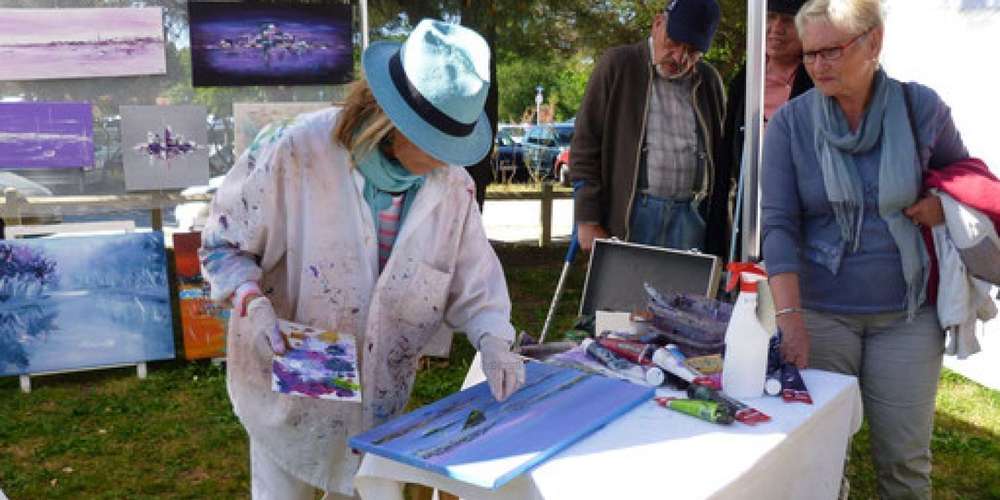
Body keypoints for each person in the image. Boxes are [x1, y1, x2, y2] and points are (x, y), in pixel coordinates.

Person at [199, 19, 525, 499]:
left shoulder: (453, 186)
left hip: (381, 396)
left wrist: (494, 340)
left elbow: (474, 285)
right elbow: (222, 244)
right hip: (291, 375)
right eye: (433, 144)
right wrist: (250, 297)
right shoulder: (295, 151)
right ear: (391, 121)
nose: (444, 159)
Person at [761, 0, 969, 497]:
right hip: (820, 316)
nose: (817, 66)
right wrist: (790, 318)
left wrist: (944, 203)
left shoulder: (922, 109)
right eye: (810, 55)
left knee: (904, 464)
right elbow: (779, 226)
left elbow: (966, 178)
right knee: (819, 461)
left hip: (907, 316)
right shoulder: (790, 125)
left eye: (830, 51)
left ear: (873, 42)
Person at [570, 0, 728, 257]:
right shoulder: (618, 65)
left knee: (689, 296)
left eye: (692, 51)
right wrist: (587, 219)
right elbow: (585, 145)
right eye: (673, 43)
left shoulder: (708, 80)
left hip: (691, 217)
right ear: (657, 24)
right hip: (634, 215)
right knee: (625, 297)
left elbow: (722, 158)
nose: (679, 57)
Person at [716, 0, 814, 260]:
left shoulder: (818, 81)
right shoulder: (744, 80)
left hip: (800, 217)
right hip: (748, 216)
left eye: (788, 20)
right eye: (770, 17)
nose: (775, 28)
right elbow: (724, 161)